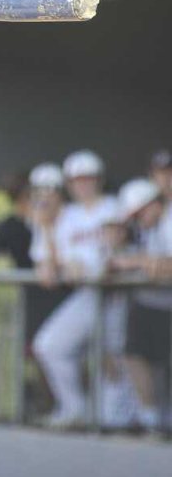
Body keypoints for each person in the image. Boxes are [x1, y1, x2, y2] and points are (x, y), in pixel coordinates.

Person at [31, 150, 128, 429]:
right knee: (49, 346)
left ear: (99, 180)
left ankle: (118, 419)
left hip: (118, 293)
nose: (83, 185)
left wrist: (89, 264)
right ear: (69, 184)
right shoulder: (66, 215)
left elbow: (118, 249)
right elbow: (49, 260)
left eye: (88, 179)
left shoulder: (114, 206)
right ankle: (76, 409)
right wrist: (51, 259)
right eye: (76, 180)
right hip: (86, 293)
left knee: (114, 357)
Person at [111, 178, 172, 432]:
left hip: (167, 304)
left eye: (140, 213)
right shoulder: (146, 228)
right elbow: (117, 261)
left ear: (154, 205)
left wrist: (143, 262)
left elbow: (164, 267)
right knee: (134, 354)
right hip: (151, 302)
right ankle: (150, 417)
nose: (138, 220)